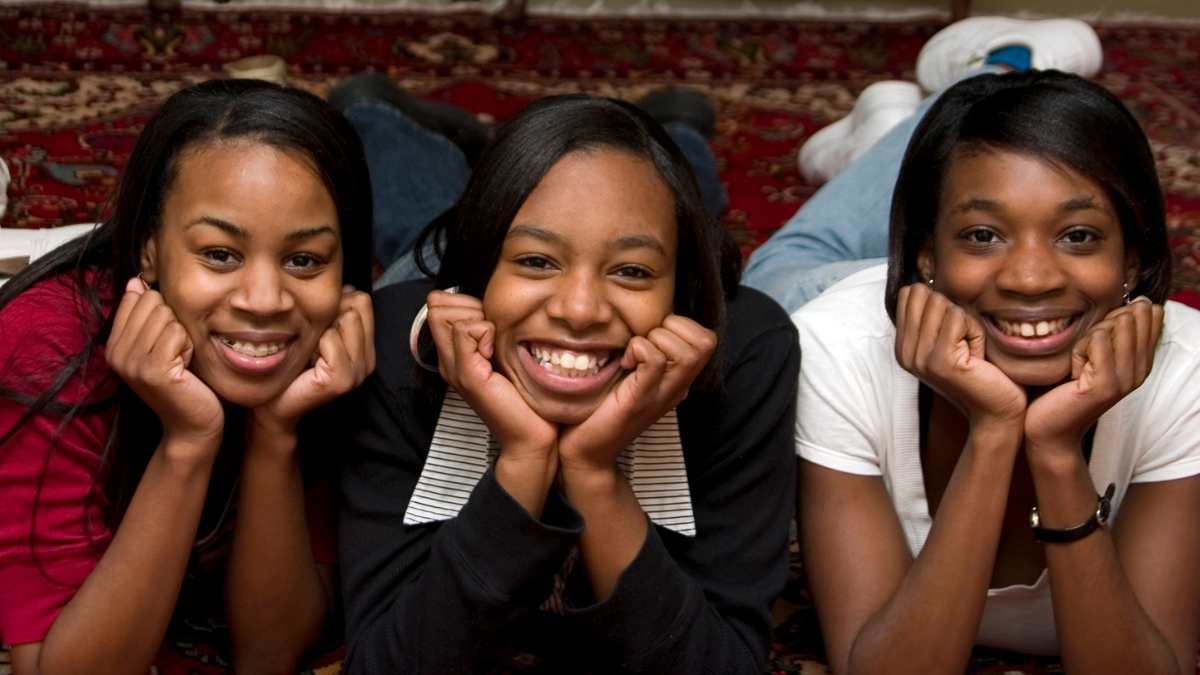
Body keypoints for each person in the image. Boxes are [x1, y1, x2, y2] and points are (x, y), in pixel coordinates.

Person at [754, 22, 1200, 673]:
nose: (1031, 277)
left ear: (1132, 262)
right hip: (838, 290)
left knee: (970, 159)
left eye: (1078, 235)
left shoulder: (1184, 371)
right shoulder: (836, 344)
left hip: (977, 303)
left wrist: (1055, 451)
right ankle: (992, 72)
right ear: (925, 257)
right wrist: (994, 431)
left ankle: (893, 130)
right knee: (779, 273)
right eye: (983, 234)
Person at [335, 93, 797, 673]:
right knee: (419, 228)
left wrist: (592, 471)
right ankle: (377, 113)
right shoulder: (394, 348)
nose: (579, 311)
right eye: (535, 261)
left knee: (667, 193)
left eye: (632, 271)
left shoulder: (751, 354)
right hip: (449, 277)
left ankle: (678, 129)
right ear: (477, 279)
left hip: (547, 296)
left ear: (679, 296)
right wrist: (525, 457)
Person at [0, 78, 377, 675]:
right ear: (148, 249)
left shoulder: (341, 348)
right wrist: (187, 442)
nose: (264, 301)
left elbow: (269, 656)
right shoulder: (48, 345)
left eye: (304, 259)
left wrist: (275, 433)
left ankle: (384, 115)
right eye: (220, 254)